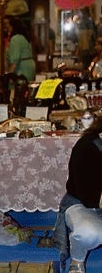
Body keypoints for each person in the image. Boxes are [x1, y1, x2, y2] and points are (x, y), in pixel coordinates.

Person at [54, 113, 102, 273]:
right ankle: (77, 261)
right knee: (89, 233)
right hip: (82, 203)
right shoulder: (87, 146)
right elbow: (88, 196)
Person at [5, 16, 35, 82]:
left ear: (12, 27)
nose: (7, 29)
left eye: (8, 27)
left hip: (22, 70)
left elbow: (14, 60)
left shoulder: (15, 39)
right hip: (29, 67)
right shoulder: (23, 37)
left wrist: (9, 76)